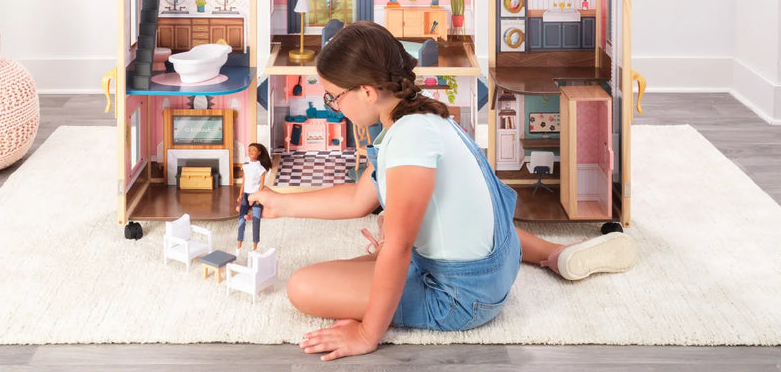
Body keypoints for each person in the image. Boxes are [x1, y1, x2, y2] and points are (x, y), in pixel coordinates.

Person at [252, 22, 636, 361]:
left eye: (333, 97)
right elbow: (358, 199)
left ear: (367, 92)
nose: (333, 107)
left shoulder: (407, 142)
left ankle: (540, 259)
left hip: (462, 296)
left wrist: (369, 332)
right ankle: (554, 253)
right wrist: (281, 203)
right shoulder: (419, 115)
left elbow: (401, 249)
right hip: (499, 252)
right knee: (365, 262)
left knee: (305, 285)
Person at [235, 142, 271, 252]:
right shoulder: (246, 166)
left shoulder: (261, 169)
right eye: (249, 150)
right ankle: (239, 244)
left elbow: (261, 185)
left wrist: (258, 198)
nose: (251, 153)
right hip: (246, 196)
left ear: (259, 153)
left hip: (256, 197)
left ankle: (255, 246)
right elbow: (244, 182)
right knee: (241, 219)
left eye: (254, 150)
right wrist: (240, 195)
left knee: (256, 220)